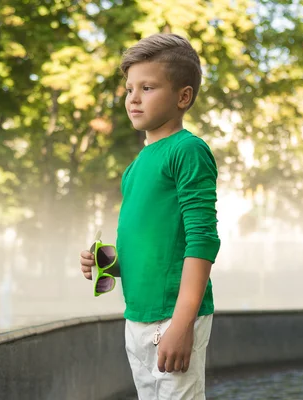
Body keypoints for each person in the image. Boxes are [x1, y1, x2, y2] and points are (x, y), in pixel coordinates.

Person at [79, 33, 221, 400]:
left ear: (183, 97)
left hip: (173, 316)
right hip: (136, 317)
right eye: (129, 89)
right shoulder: (135, 167)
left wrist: (182, 323)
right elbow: (148, 247)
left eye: (147, 87)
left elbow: (202, 238)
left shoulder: (188, 150)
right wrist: (107, 262)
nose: (133, 98)